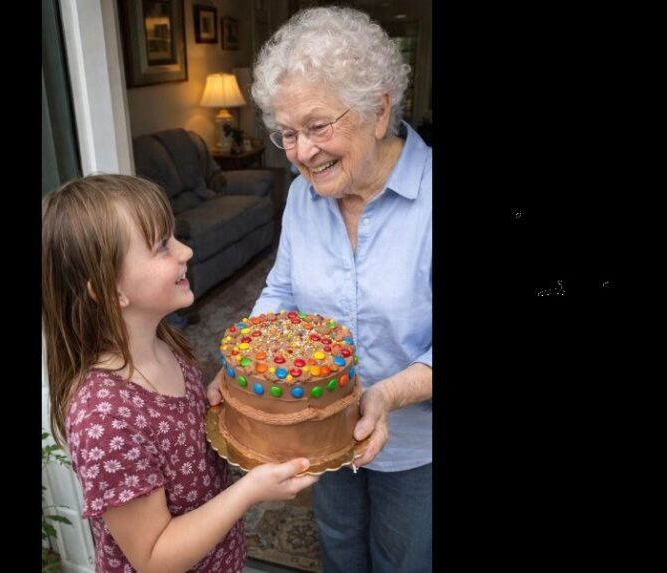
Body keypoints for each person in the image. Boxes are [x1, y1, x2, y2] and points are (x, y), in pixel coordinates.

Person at [208, 7, 432, 572]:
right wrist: (248, 365)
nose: (302, 153)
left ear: (378, 110)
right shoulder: (304, 198)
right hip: (317, 432)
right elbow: (281, 291)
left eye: (317, 126)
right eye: (287, 133)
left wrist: (385, 394)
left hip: (415, 447)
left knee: (404, 558)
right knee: (336, 543)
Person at [42, 174, 318, 573]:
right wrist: (250, 491)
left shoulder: (167, 345)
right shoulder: (104, 417)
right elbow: (154, 557)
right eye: (162, 246)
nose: (186, 250)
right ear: (108, 290)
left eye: (176, 236)